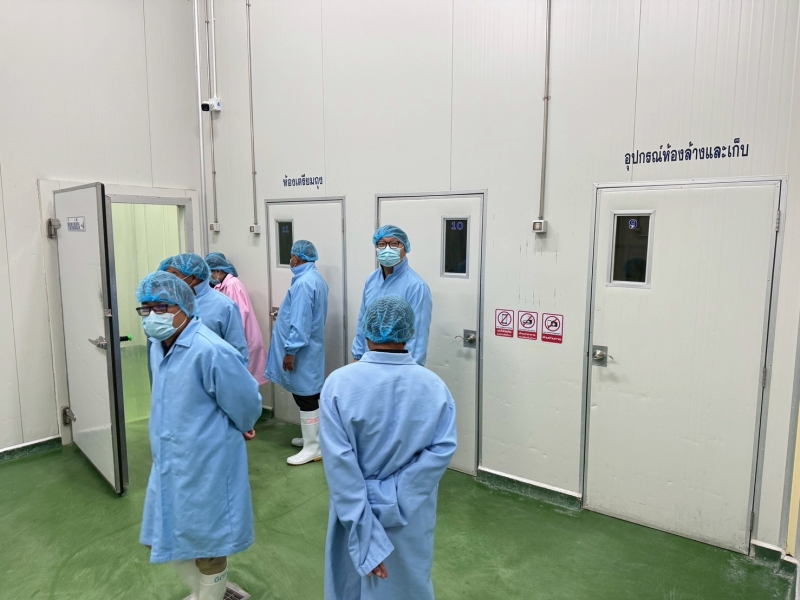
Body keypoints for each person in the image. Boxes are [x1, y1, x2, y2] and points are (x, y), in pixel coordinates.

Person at [135, 271, 262, 600]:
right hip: (170, 456)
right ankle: (210, 590)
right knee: (171, 532)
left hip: (208, 461)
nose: (152, 316)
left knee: (208, 542)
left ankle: (213, 593)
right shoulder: (158, 345)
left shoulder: (210, 350)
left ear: (184, 306)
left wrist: (245, 423)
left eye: (161, 307)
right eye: (146, 308)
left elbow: (246, 400)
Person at [320, 295, 457, 600]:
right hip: (409, 513)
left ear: (365, 329)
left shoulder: (339, 385)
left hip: (355, 511)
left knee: (350, 584)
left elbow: (340, 465)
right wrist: (393, 496)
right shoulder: (435, 388)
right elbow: (439, 453)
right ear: (410, 331)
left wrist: (365, 533)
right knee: (406, 584)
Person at [264, 240, 329, 465]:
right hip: (310, 349)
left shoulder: (303, 284)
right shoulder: (315, 279)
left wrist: (291, 350)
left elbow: (300, 322)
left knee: (305, 397)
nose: (290, 259)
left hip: (302, 351)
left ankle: (313, 447)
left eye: (292, 256)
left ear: (297, 258)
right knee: (310, 394)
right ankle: (314, 438)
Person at [351, 225, 432, 366]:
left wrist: (410, 369)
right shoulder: (371, 280)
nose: (387, 249)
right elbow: (362, 320)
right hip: (368, 361)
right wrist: (357, 356)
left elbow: (418, 337)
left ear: (405, 248)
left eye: (394, 244)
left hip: (399, 366)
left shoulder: (416, 287)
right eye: (382, 244)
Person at [159, 253, 249, 366]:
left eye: (174, 275)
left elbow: (238, 352)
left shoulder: (224, 306)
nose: (169, 281)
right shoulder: (172, 304)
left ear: (193, 278)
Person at [206, 252, 268, 385]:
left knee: (245, 382)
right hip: (237, 340)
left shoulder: (232, 285)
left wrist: (231, 340)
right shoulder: (221, 285)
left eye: (210, 272)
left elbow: (238, 316)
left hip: (243, 339)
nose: (209, 277)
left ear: (218, 271)